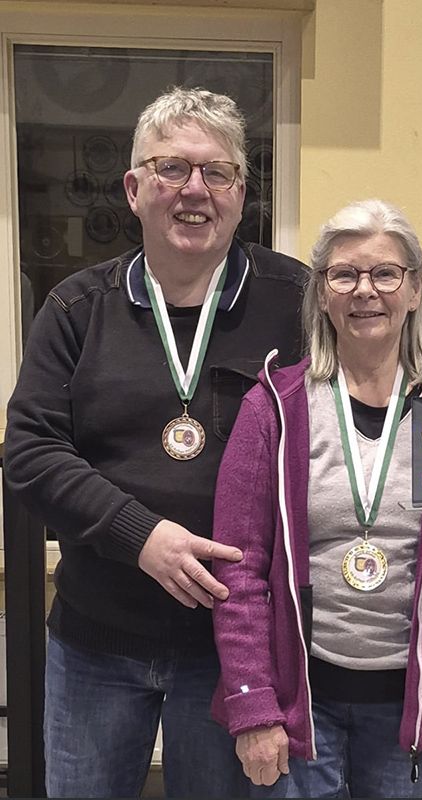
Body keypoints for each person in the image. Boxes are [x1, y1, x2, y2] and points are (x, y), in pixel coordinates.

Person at [3, 86, 307, 798]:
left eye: (217, 172)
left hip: (234, 653)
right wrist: (141, 536)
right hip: (96, 639)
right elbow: (31, 451)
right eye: (171, 168)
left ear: (241, 194)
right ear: (134, 189)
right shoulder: (77, 308)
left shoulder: (296, 302)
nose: (194, 190)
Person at [211, 199, 422, 798]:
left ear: (414, 290)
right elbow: (240, 568)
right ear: (321, 293)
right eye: (344, 275)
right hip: (302, 706)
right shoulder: (278, 406)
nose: (365, 291)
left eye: (385, 273)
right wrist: (252, 705)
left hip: (410, 708)